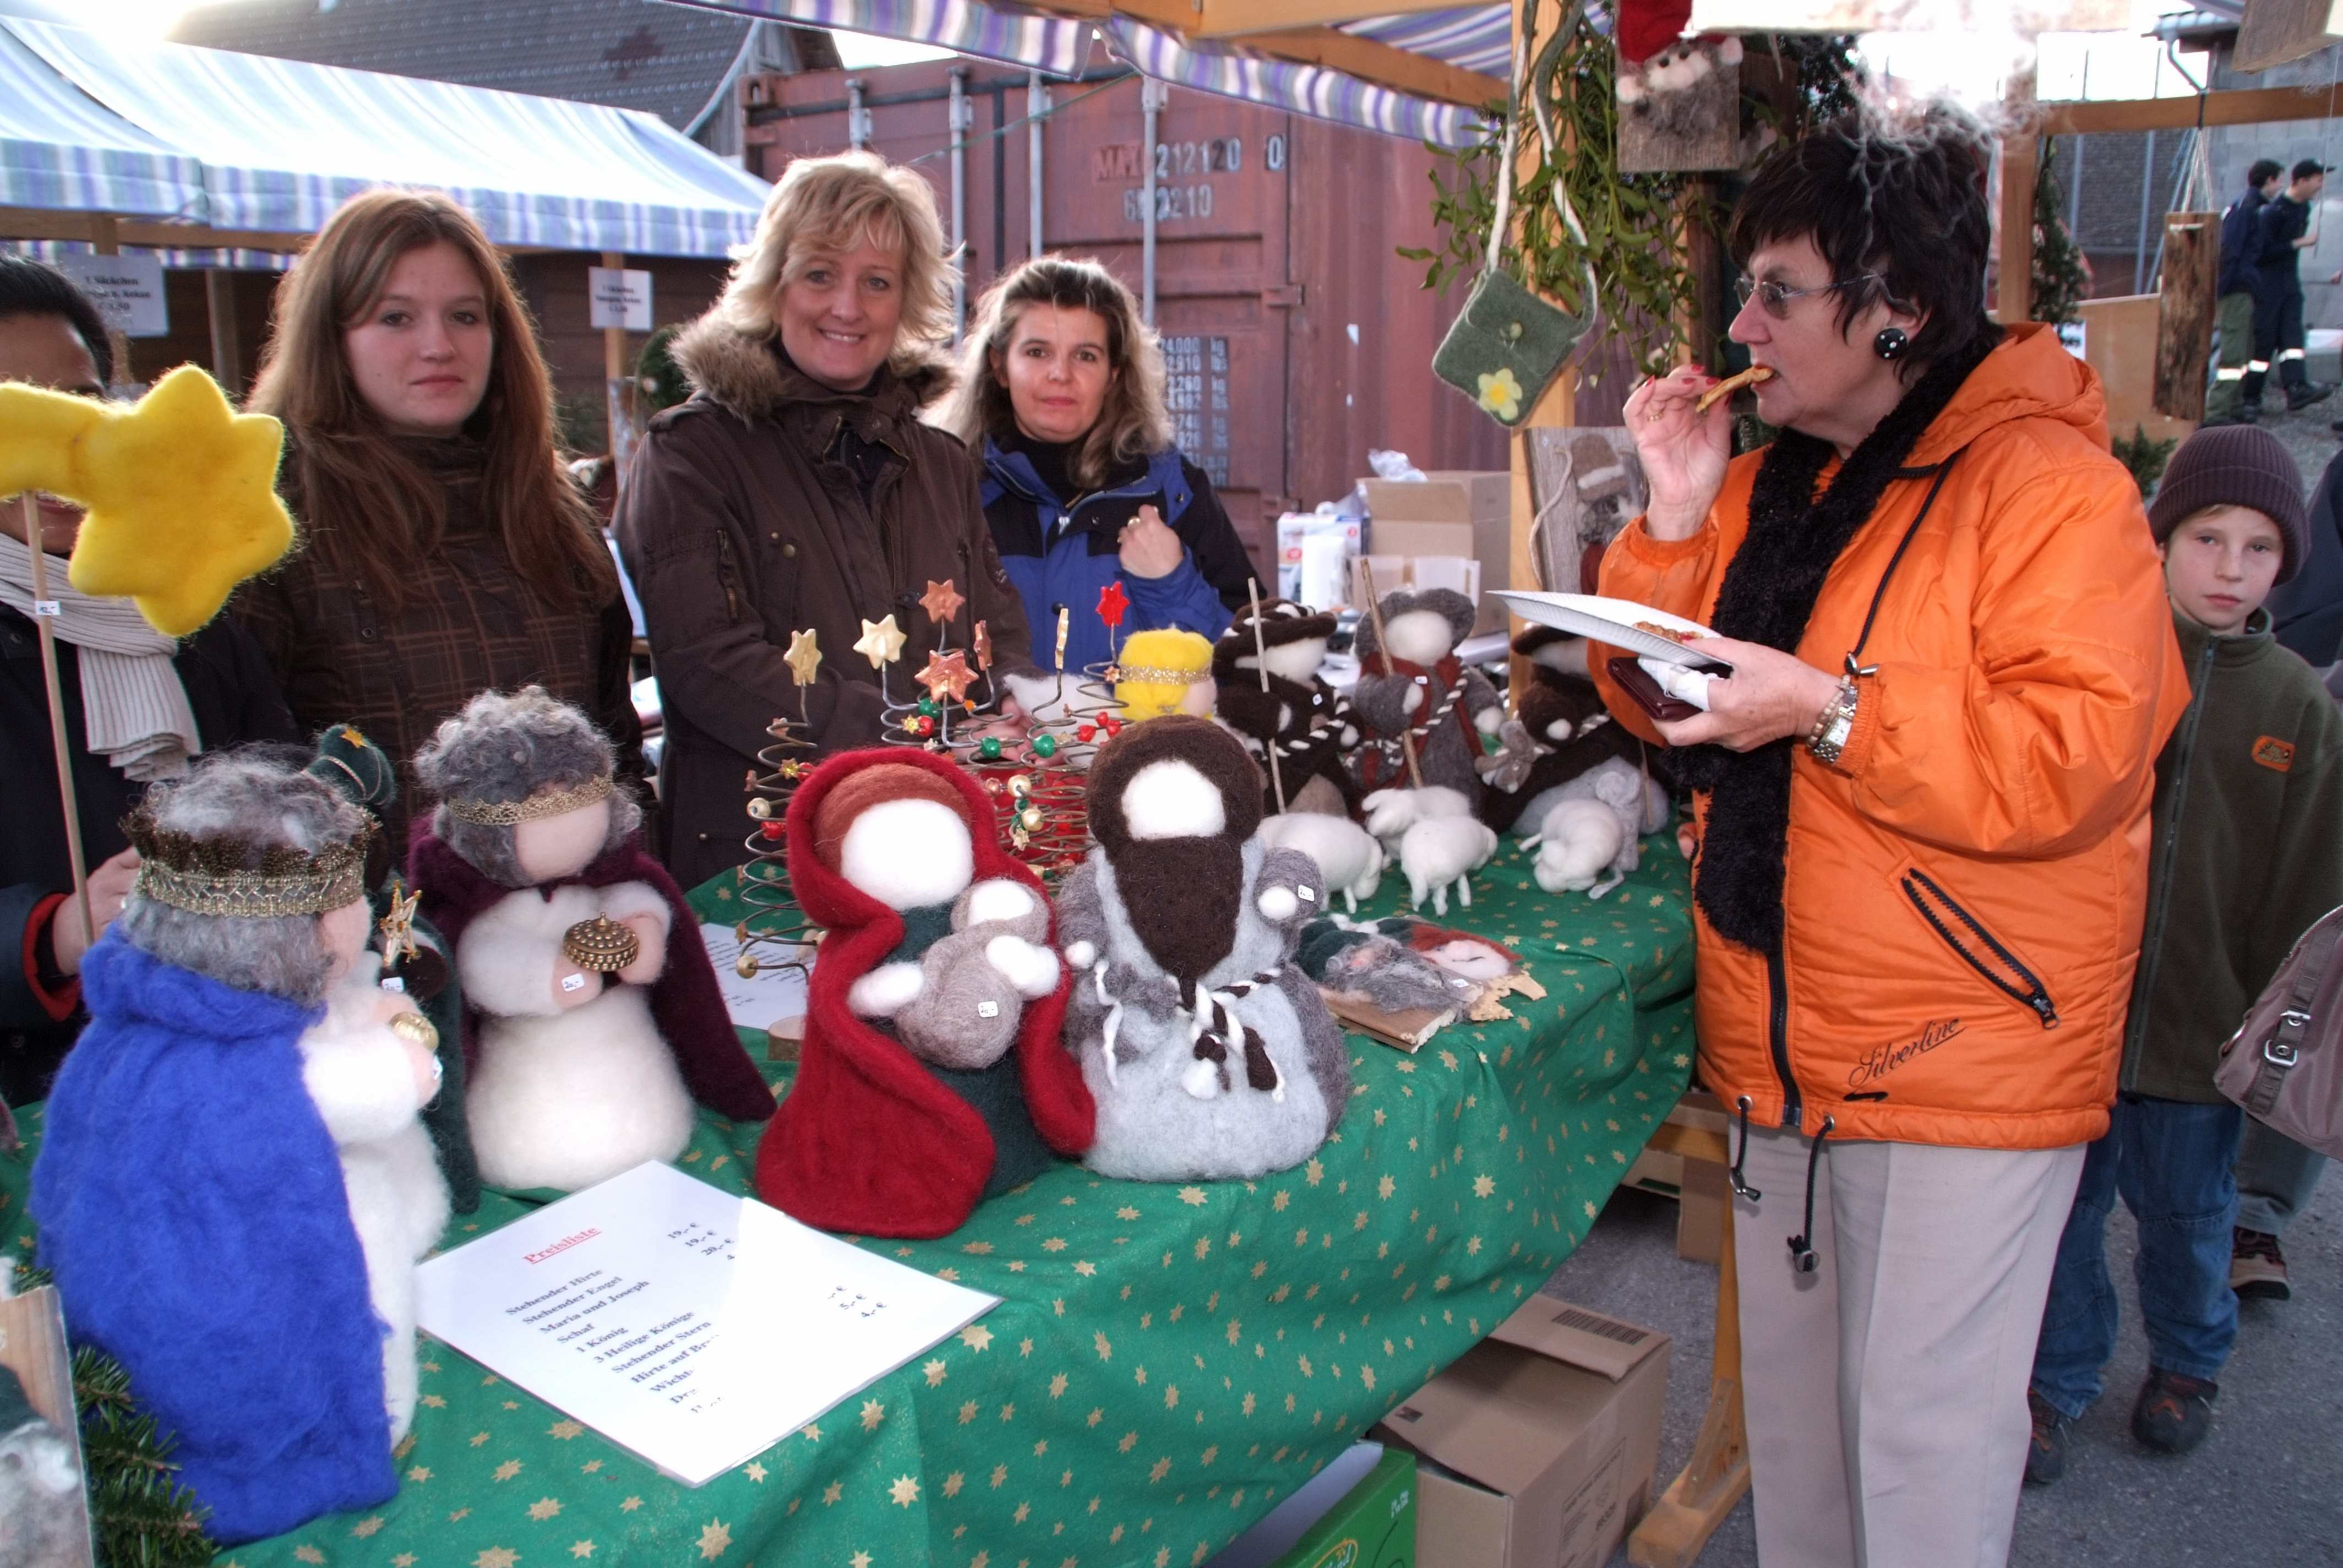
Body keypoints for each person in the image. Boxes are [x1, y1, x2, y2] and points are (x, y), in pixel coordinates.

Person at [1598, 107, 2188, 1568]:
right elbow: (1649, 701)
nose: (1742, 327)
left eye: (1777, 294)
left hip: (1962, 1038)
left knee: (1923, 1444)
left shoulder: (2050, 488)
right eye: (1745, 291)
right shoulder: (1765, 482)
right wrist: (1673, 515)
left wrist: (1832, 710)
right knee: (1800, 1433)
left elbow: (2079, 758)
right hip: (1778, 1030)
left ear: (1898, 309)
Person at [2025, 425, 2343, 1479]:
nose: (2230, 568)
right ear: (2159, 540)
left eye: (2259, 547)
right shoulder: (2109, 664)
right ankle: (2057, 1376)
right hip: (2080, 1017)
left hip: (2203, 1035)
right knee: (2067, 1214)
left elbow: (2309, 884)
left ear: (2286, 562)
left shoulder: (2297, 705)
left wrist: (2267, 1029)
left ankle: (2189, 1361)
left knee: (2188, 1213)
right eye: (2207, 537)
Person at [616, 151, 1033, 890]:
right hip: (765, 865)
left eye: (877, 282)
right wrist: (911, 737)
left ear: (906, 299)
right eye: (819, 274)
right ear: (773, 283)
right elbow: (705, 664)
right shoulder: (693, 454)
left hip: (932, 844)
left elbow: (995, 630)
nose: (848, 306)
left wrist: (1011, 705)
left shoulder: (941, 462)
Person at [232, 189, 642, 854]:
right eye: (395, 317)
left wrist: (637, 881)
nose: (438, 346)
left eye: (464, 316)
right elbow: (251, 790)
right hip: (380, 910)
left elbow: (615, 749)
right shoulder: (269, 521)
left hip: (573, 902)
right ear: (331, 337)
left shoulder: (552, 507)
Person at [0, 255, 297, 1106]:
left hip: (222, 1057)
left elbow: (282, 773)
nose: (64, 445)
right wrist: (53, 931)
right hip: (46, 1093)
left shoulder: (187, 606)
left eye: (83, 401)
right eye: (19, 409)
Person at [939, 256, 1254, 676]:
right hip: (1001, 724)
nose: (1060, 374)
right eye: (1037, 352)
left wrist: (1170, 584)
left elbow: (1250, 660)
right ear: (1000, 366)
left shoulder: (1172, 488)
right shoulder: (952, 489)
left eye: (1085, 356)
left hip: (1143, 723)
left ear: (1113, 375)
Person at [2251, 158, 2335, 415]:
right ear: (2301, 181)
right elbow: (2261, 254)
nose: (2321, 186)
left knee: (2293, 339)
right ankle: (2251, 397)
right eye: (2318, 180)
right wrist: (2297, 243)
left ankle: (2296, 388)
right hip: (2269, 287)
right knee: (2264, 343)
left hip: (2289, 285)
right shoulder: (2273, 213)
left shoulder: (2303, 209)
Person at [2208, 159, 2283, 424]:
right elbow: (2230, 251)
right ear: (2269, 180)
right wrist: (2223, 289)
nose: (2280, 187)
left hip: (2243, 289)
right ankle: (2216, 411)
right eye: (2279, 180)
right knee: (2233, 352)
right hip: (2237, 289)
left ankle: (2233, 405)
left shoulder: (2250, 207)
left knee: (2243, 352)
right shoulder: (2247, 209)